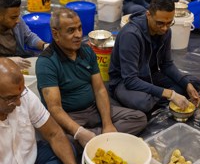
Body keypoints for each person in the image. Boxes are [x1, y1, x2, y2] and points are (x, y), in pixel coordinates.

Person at [36, 8, 147, 149]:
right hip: (70, 116)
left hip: (92, 109)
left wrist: (107, 124)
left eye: (79, 28)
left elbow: (100, 89)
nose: (78, 35)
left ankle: (96, 140)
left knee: (139, 118)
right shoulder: (46, 62)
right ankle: (99, 140)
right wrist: (79, 132)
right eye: (71, 31)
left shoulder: (87, 51)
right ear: (56, 34)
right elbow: (55, 108)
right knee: (64, 142)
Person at [0, 57, 90, 164]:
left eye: (20, 94)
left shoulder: (25, 96)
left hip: (30, 163)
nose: (18, 103)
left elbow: (54, 134)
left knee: (67, 149)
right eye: (10, 98)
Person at [109, 0, 200, 114]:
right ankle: (162, 97)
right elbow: (130, 80)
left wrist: (186, 84)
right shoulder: (131, 35)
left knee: (192, 83)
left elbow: (167, 65)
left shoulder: (166, 31)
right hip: (123, 81)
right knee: (143, 103)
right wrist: (171, 94)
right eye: (160, 23)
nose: (165, 28)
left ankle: (159, 97)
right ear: (148, 15)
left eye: (169, 23)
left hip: (150, 75)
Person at [0, 0, 49, 69]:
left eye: (18, 16)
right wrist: (7, 60)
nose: (18, 21)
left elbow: (29, 37)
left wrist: (44, 45)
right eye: (13, 18)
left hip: (20, 57)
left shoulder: (17, 21)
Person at [123, 0, 187, 15]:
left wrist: (176, 0)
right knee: (141, 11)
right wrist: (152, 7)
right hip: (132, 3)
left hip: (150, 2)